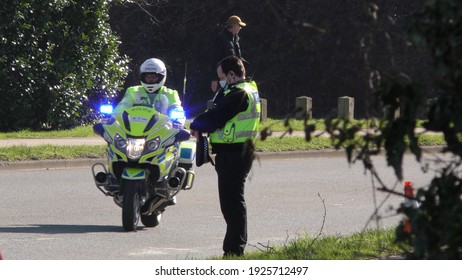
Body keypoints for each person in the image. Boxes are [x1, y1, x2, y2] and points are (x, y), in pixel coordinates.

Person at [191, 56, 261, 256]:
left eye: (221, 77)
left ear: (231, 74)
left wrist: (196, 125)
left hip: (235, 154)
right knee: (231, 203)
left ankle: (234, 251)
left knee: (232, 204)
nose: (219, 81)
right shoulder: (241, 89)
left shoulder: (239, 93)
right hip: (234, 152)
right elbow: (217, 109)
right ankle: (233, 249)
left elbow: (217, 116)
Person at [114, 58, 182, 118]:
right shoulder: (133, 91)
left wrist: (178, 118)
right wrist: (116, 115)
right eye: (148, 77)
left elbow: (176, 109)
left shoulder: (170, 93)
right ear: (143, 77)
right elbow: (122, 107)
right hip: (135, 128)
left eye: (154, 77)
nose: (150, 79)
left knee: (184, 133)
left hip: (162, 130)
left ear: (161, 77)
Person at [210, 15, 247, 93]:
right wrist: (214, 79)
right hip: (223, 77)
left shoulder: (236, 39)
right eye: (239, 26)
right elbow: (215, 59)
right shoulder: (221, 38)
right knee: (224, 95)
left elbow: (238, 58)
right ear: (233, 26)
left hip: (235, 78)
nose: (240, 28)